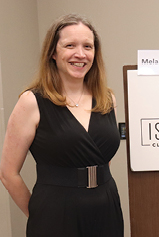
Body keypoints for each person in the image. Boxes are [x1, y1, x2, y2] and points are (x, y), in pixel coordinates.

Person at [0, 13, 124, 236]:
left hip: (107, 209)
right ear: (53, 53)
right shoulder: (32, 102)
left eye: (88, 46)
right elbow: (8, 173)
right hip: (55, 213)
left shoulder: (108, 100)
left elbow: (104, 160)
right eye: (70, 45)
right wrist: (40, 214)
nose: (80, 54)